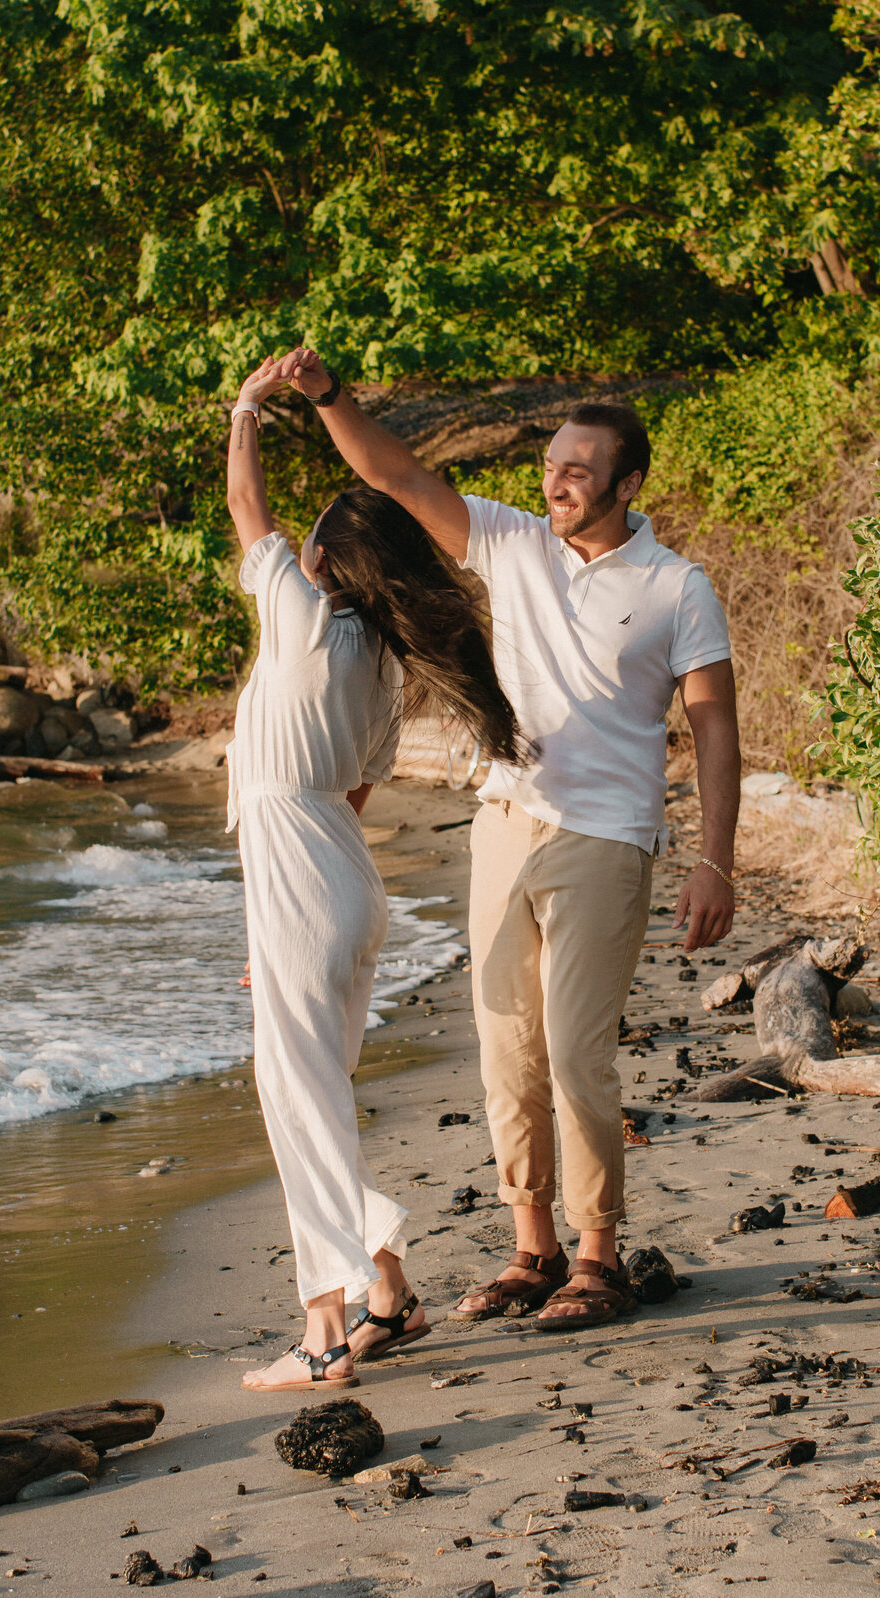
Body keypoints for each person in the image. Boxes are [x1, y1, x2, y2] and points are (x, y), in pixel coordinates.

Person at [263, 347, 741, 1331]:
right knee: (505, 1050)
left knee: (574, 1052)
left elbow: (714, 727)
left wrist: (715, 858)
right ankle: (535, 1249)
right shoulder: (514, 543)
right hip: (505, 821)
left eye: (578, 468)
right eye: (551, 463)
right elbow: (393, 476)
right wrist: (327, 399)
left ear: (627, 482)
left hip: (609, 834)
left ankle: (600, 1258)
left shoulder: (677, 588)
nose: (556, 481)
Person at [225, 359, 526, 1390]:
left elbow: (240, 504)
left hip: (310, 889)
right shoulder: (386, 660)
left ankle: (321, 1338)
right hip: (342, 889)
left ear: (322, 558)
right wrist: (271, 929)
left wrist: (245, 414)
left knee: (301, 1106)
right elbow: (351, 796)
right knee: (314, 1098)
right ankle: (387, 1298)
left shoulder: (296, 615)